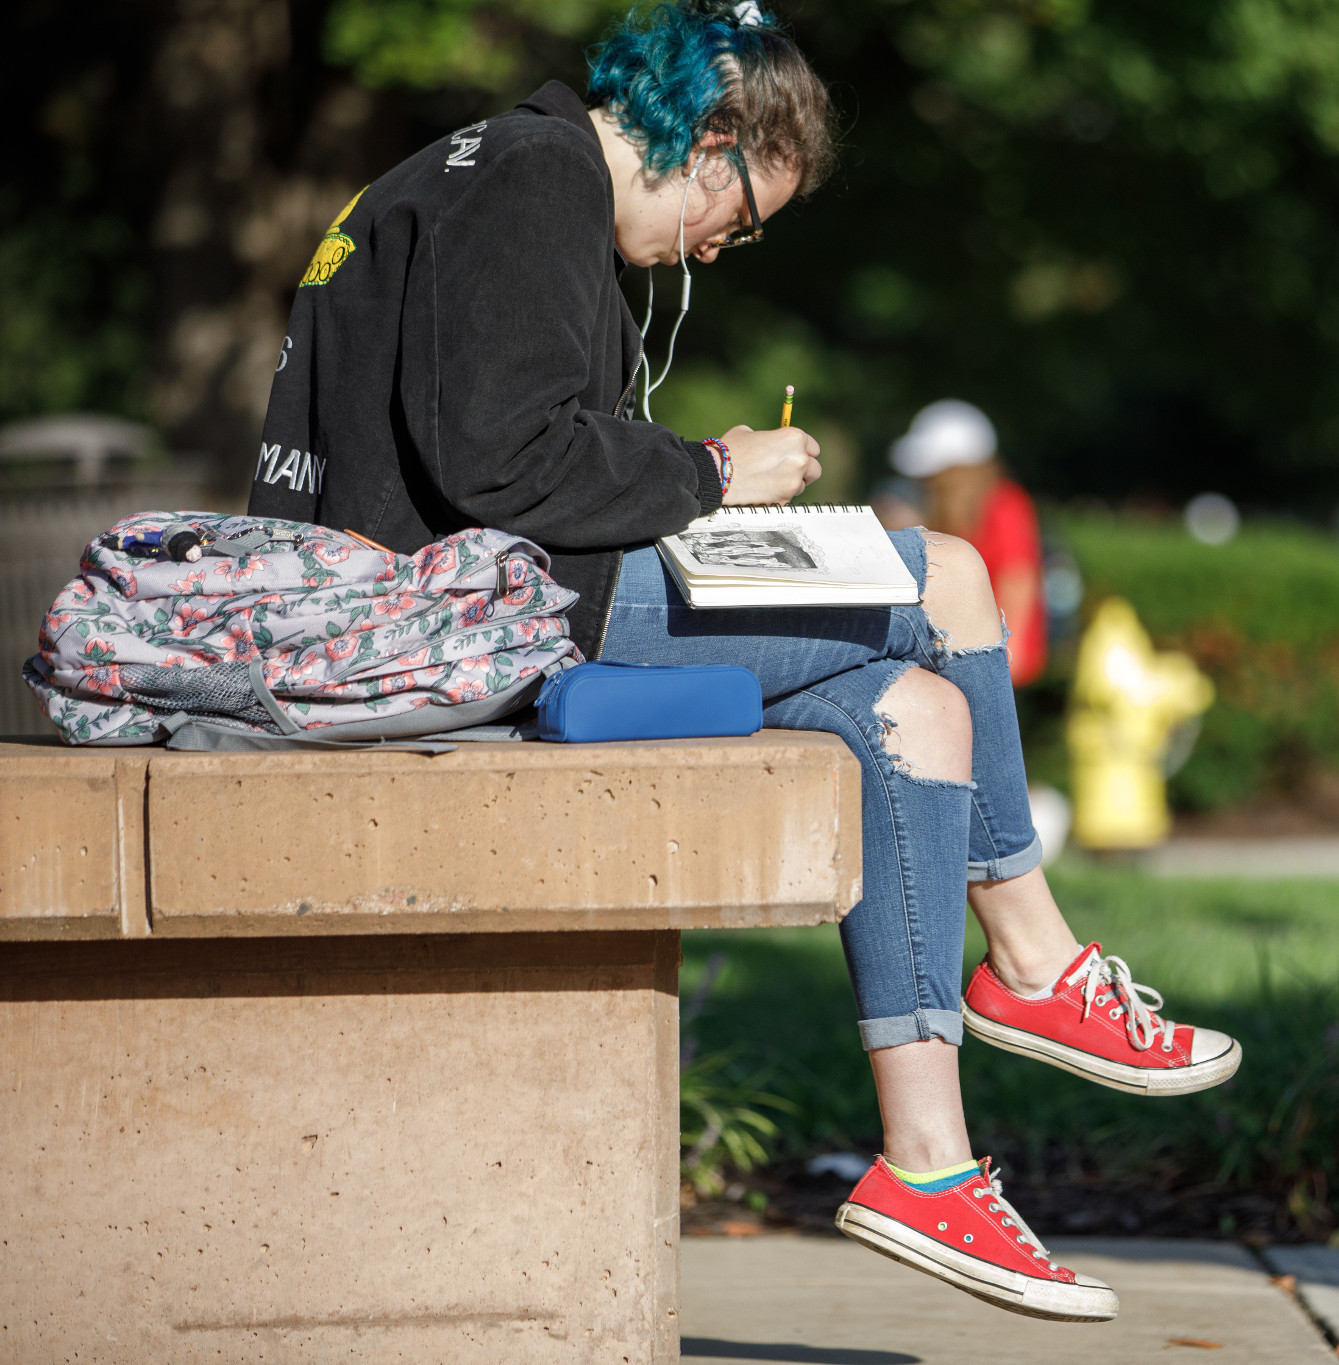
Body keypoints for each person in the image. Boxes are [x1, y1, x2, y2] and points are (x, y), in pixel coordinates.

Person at [249, 0, 1239, 1322]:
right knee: (948, 574)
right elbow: (500, 461)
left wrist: (688, 487)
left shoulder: (492, 173)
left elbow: (497, 445)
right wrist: (714, 471)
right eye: (741, 216)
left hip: (449, 606)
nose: (721, 247)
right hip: (457, 620)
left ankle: (929, 1166)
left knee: (916, 709)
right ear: (708, 139)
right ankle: (1041, 965)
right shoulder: (537, 175)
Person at [889, 400, 1048, 686]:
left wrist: (1009, 659)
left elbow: (1019, 578)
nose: (925, 479)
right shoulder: (942, 508)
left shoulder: (1005, 505)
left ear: (958, 470)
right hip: (959, 653)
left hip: (991, 657)